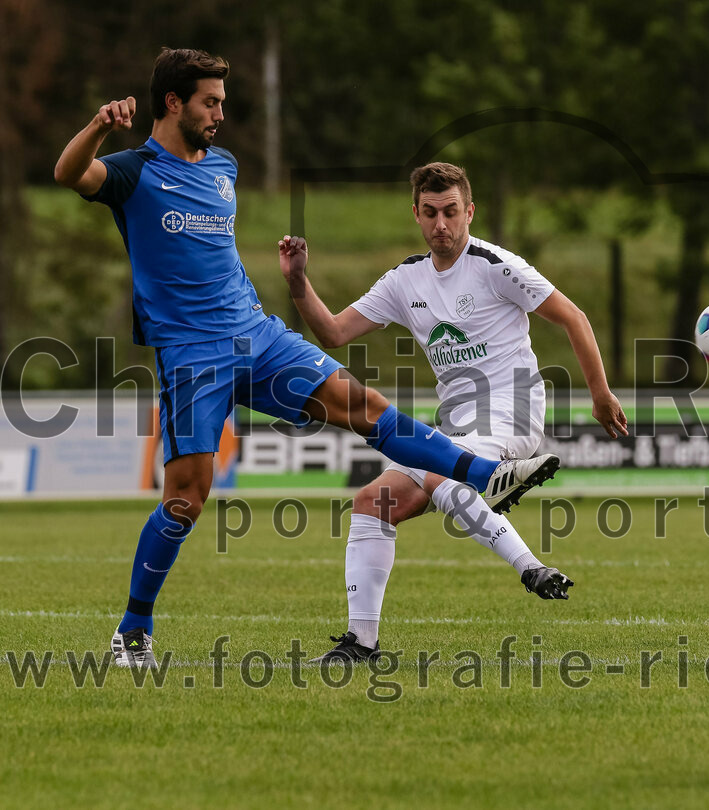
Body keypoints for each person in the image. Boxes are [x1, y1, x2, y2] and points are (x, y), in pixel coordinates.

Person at [53, 49, 556, 669]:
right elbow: (69, 173)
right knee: (186, 497)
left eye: (223, 103)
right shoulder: (132, 171)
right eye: (210, 102)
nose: (219, 114)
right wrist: (101, 126)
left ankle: (484, 476)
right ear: (174, 103)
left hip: (258, 338)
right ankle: (132, 633)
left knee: (364, 406)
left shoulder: (223, 167)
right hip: (192, 355)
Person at [279, 161, 628, 661]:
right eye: (430, 213)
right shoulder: (405, 280)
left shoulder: (493, 265)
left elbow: (574, 317)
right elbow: (333, 333)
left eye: (450, 212)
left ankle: (528, 563)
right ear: (416, 215)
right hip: (456, 424)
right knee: (372, 505)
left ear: (470, 211)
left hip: (511, 411)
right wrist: (298, 283)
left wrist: (600, 393)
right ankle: (362, 643)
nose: (441, 224)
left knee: (443, 473)